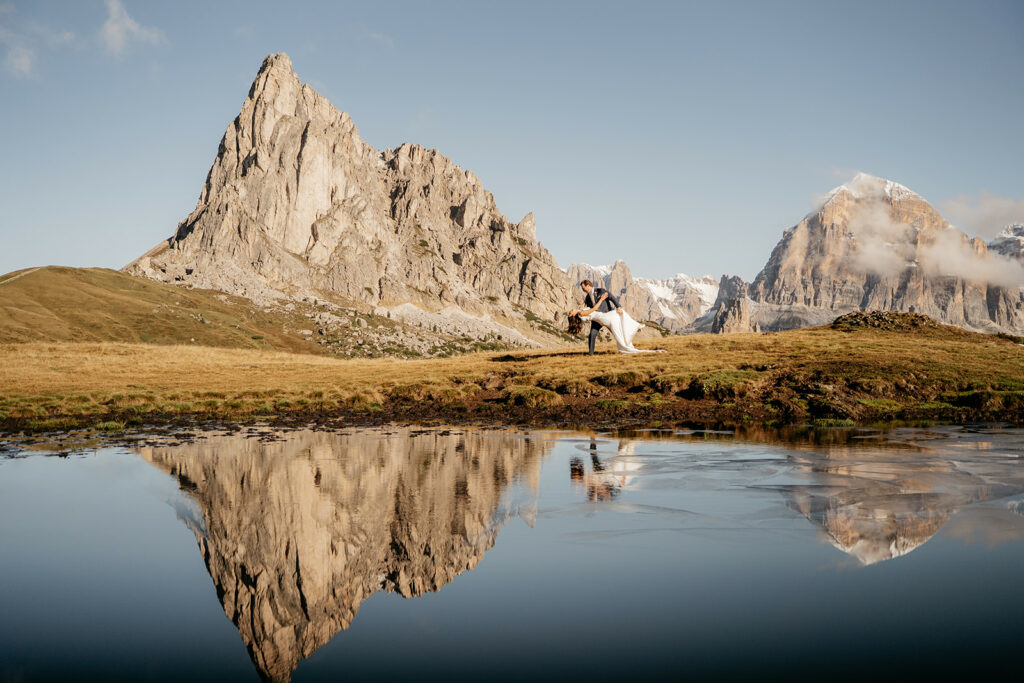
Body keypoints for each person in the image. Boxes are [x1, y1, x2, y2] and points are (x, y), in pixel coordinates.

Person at [568, 280, 663, 354]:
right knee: (592, 335)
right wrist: (582, 307)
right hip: (597, 319)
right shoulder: (587, 297)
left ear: (588, 286)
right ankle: (591, 353)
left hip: (607, 316)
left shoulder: (600, 291)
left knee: (617, 333)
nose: (583, 290)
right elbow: (589, 308)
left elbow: (612, 297)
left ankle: (626, 344)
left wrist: (618, 307)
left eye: (584, 288)